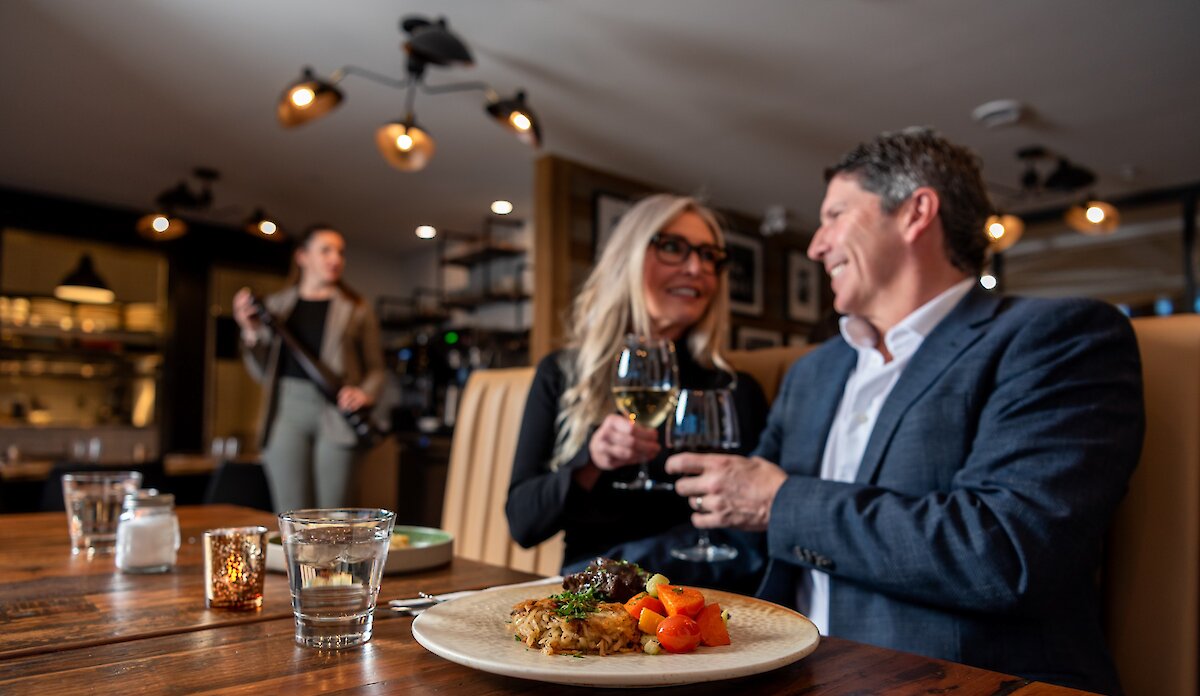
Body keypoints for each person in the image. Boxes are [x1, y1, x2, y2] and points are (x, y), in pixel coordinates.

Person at [666, 128, 1143, 694]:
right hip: (781, 675)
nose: (816, 245)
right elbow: (744, 528)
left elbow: (1007, 551)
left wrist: (781, 500)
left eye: (835, 215)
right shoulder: (813, 372)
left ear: (916, 212)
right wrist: (600, 579)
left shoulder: (1058, 339)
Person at [506, 194, 769, 591]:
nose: (697, 267)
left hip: (695, 598)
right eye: (673, 247)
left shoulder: (732, 390)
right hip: (590, 601)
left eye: (709, 255)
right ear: (627, 259)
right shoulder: (563, 373)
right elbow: (523, 524)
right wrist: (591, 460)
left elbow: (752, 532)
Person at [233, 224, 385, 513]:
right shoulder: (277, 307)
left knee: (336, 515)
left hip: (337, 412)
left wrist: (365, 394)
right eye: (325, 250)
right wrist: (250, 331)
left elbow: (377, 368)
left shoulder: (357, 308)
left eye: (340, 252)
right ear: (302, 256)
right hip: (286, 412)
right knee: (292, 514)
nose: (335, 259)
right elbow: (262, 373)